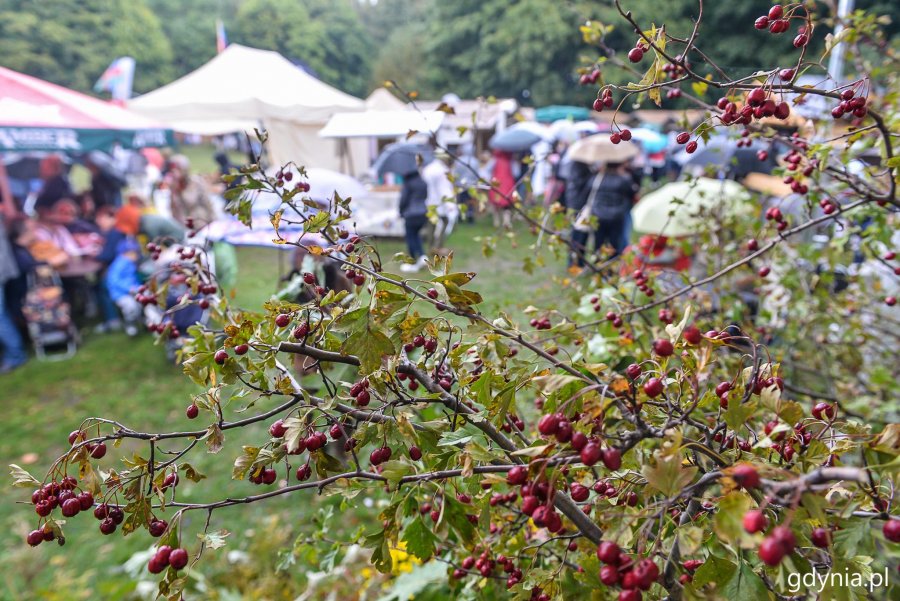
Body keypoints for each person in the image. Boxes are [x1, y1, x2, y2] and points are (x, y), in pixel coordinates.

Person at [589, 161, 639, 258]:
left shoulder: (598, 178)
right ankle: (612, 265)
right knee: (615, 243)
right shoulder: (624, 179)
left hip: (598, 214)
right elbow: (632, 193)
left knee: (599, 242)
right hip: (617, 216)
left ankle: (598, 262)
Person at [104, 238, 143, 336]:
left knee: (140, 305)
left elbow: (133, 278)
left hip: (133, 291)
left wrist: (138, 287)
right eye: (133, 253)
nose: (136, 256)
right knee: (131, 306)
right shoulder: (119, 264)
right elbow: (114, 280)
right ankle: (130, 325)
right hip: (120, 294)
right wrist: (129, 288)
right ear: (124, 254)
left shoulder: (130, 263)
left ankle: (142, 321)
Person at [167, 154, 216, 227]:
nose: (174, 171)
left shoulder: (196, 182)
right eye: (172, 169)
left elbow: (207, 203)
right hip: (181, 224)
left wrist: (213, 221)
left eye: (177, 169)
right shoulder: (173, 186)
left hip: (199, 222)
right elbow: (173, 208)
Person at [421, 155, 458, 251]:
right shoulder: (442, 171)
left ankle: (431, 246)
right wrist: (450, 204)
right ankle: (438, 246)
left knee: (431, 224)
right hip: (439, 202)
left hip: (429, 201)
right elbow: (444, 189)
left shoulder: (428, 169)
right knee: (445, 221)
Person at [564, 161, 595, 267]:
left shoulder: (581, 166)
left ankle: (578, 262)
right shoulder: (578, 166)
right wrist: (593, 176)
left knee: (581, 235)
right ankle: (573, 263)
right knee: (578, 236)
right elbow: (580, 183)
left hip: (578, 204)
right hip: (578, 205)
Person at [398, 169, 429, 272]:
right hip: (423, 213)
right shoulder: (423, 182)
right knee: (416, 235)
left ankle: (413, 262)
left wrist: (401, 212)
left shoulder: (408, 183)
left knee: (410, 237)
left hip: (411, 214)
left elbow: (403, 200)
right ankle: (422, 256)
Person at [488, 150, 516, 229]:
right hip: (508, 183)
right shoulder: (510, 161)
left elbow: (488, 169)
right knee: (507, 203)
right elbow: (516, 172)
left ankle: (496, 220)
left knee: (496, 202)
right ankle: (506, 221)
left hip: (497, 183)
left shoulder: (494, 160)